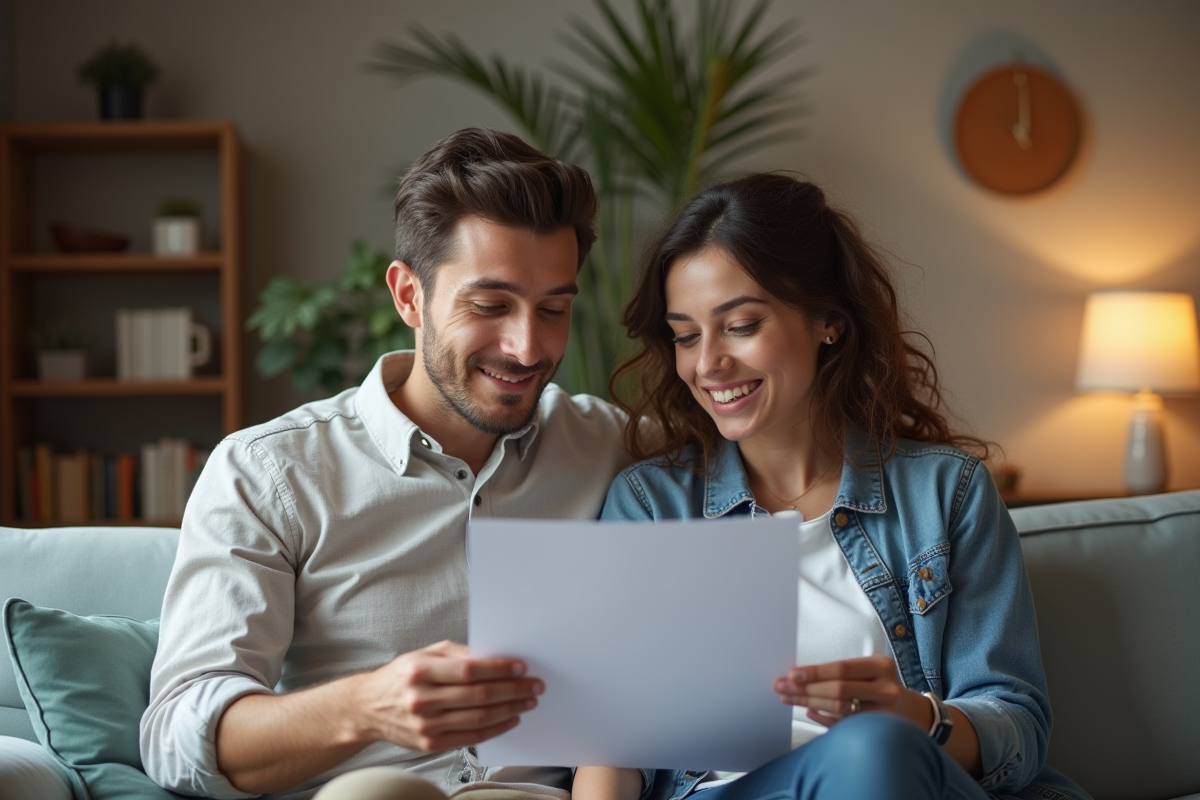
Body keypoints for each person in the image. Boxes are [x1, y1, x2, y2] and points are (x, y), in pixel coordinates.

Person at [140, 127, 632, 800]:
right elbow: (177, 738)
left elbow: (777, 468)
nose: (526, 347)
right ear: (408, 296)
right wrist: (365, 706)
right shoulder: (268, 474)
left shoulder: (610, 445)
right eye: (490, 306)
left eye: (553, 309)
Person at [573, 173, 1090, 800]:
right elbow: (611, 738)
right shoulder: (652, 506)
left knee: (877, 748)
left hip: (903, 778)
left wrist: (915, 717)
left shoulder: (946, 494)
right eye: (685, 335)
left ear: (828, 323)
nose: (706, 363)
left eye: (739, 325)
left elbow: (1017, 722)